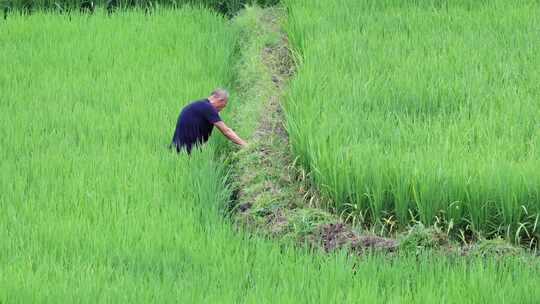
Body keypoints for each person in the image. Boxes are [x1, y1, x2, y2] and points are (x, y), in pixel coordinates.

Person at [170, 88, 247, 154]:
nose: (221, 109)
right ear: (220, 100)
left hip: (179, 149)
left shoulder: (200, 105)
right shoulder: (208, 107)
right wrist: (245, 145)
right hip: (185, 151)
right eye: (223, 106)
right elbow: (226, 131)